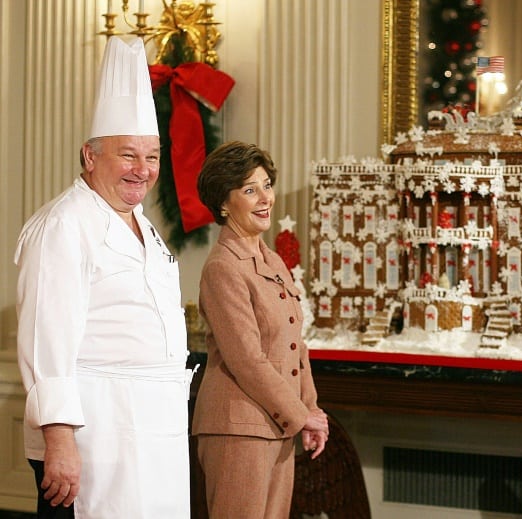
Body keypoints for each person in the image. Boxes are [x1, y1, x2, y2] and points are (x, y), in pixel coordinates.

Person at [14, 36, 192, 518]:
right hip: (96, 438)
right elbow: (44, 340)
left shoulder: (142, 225)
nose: (143, 170)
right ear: (90, 156)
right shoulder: (64, 225)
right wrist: (60, 441)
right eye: (128, 155)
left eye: (152, 156)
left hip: (153, 437)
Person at [192, 141, 329, 518]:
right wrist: (301, 415)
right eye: (250, 190)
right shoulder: (224, 267)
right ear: (223, 203)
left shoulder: (272, 260)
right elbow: (247, 359)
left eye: (266, 185)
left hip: (277, 425)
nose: (265, 198)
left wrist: (309, 410)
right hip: (237, 430)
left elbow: (293, 347)